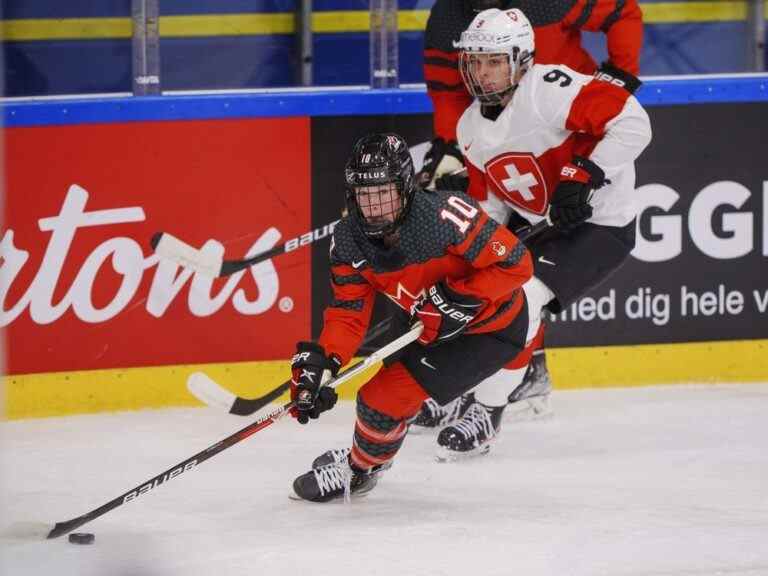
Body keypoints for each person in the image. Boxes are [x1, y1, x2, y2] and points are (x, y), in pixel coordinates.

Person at [417, 7, 651, 450]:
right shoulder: (469, 128)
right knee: (466, 281)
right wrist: (467, 232)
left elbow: (634, 122)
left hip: (600, 224)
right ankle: (455, 385)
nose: (483, 74)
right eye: (476, 61)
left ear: (521, 59)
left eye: (494, 61)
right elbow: (492, 207)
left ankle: (488, 411)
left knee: (522, 296)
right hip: (543, 223)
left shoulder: (550, 90)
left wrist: (586, 175)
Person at [288, 132, 538, 502]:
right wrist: (326, 361)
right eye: (364, 195)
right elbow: (348, 313)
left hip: (489, 329)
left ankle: (360, 470)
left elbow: (517, 263)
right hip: (427, 323)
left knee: (379, 401)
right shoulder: (347, 241)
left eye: (383, 193)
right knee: (383, 406)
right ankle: (375, 453)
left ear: (405, 187)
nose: (373, 206)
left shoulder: (446, 216)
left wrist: (458, 297)